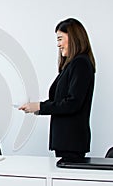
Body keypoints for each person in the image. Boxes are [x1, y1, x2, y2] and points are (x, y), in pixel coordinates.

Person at [19, 18, 96, 158]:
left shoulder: (80, 64)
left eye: (60, 39)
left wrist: (40, 106)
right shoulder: (71, 64)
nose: (58, 45)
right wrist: (36, 108)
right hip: (66, 142)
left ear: (73, 38)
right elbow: (60, 101)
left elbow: (72, 103)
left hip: (71, 142)